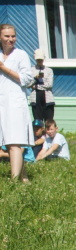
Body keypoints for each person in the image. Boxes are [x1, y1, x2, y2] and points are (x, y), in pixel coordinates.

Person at [0, 24, 35, 182]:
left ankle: (13, 182)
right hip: (2, 103)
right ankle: (24, 178)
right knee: (8, 143)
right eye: (7, 36)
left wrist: (4, 68)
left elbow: (27, 80)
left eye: (13, 36)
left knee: (14, 142)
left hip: (15, 103)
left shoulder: (21, 55)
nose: (10, 39)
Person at [28, 49, 55, 122]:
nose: (39, 61)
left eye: (41, 59)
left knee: (49, 120)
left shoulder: (49, 70)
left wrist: (36, 86)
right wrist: (35, 79)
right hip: (35, 97)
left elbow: (49, 84)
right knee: (38, 121)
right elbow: (28, 84)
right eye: (38, 60)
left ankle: (48, 133)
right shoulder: (31, 70)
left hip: (47, 97)